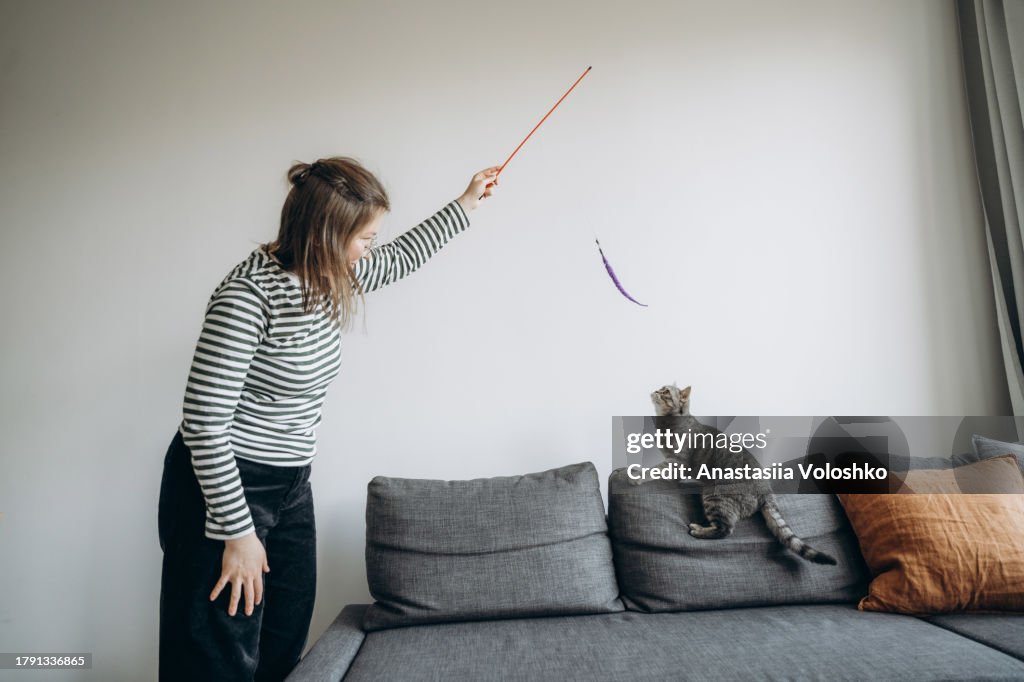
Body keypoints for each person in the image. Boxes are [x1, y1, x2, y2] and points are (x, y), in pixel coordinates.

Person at [157, 157, 499, 681]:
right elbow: (204, 425)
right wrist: (238, 534)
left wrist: (467, 202)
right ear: (322, 235)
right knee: (217, 657)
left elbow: (399, 258)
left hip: (290, 483)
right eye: (364, 238)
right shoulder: (247, 297)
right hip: (223, 485)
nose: (371, 249)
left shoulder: (329, 274)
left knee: (282, 639)